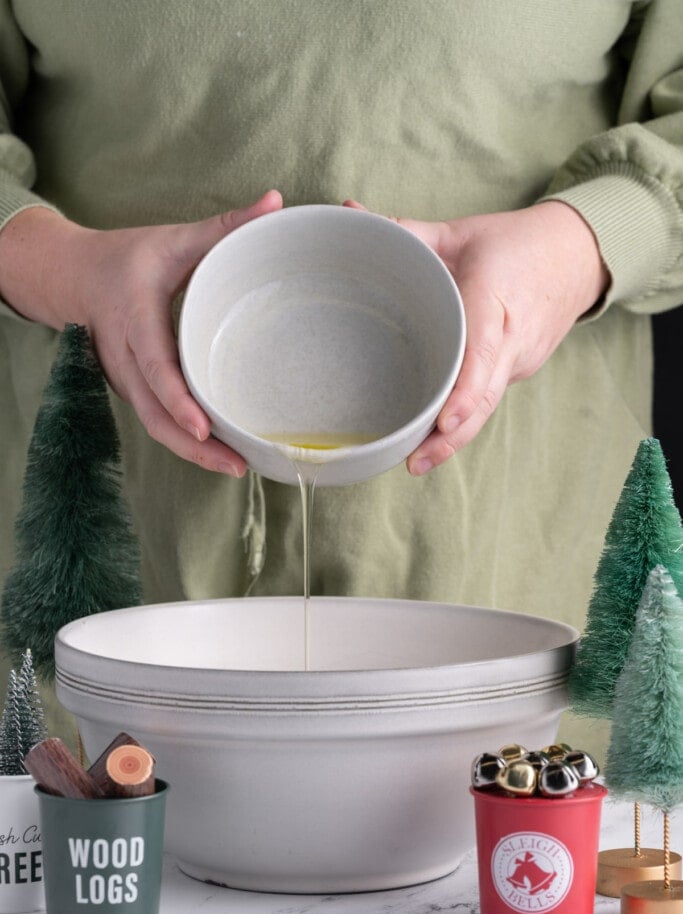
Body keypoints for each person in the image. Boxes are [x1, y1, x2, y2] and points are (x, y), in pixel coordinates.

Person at [0, 2, 681, 755]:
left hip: (509, 532)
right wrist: (58, 265)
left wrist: (583, 244)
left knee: (510, 844)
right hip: (124, 533)